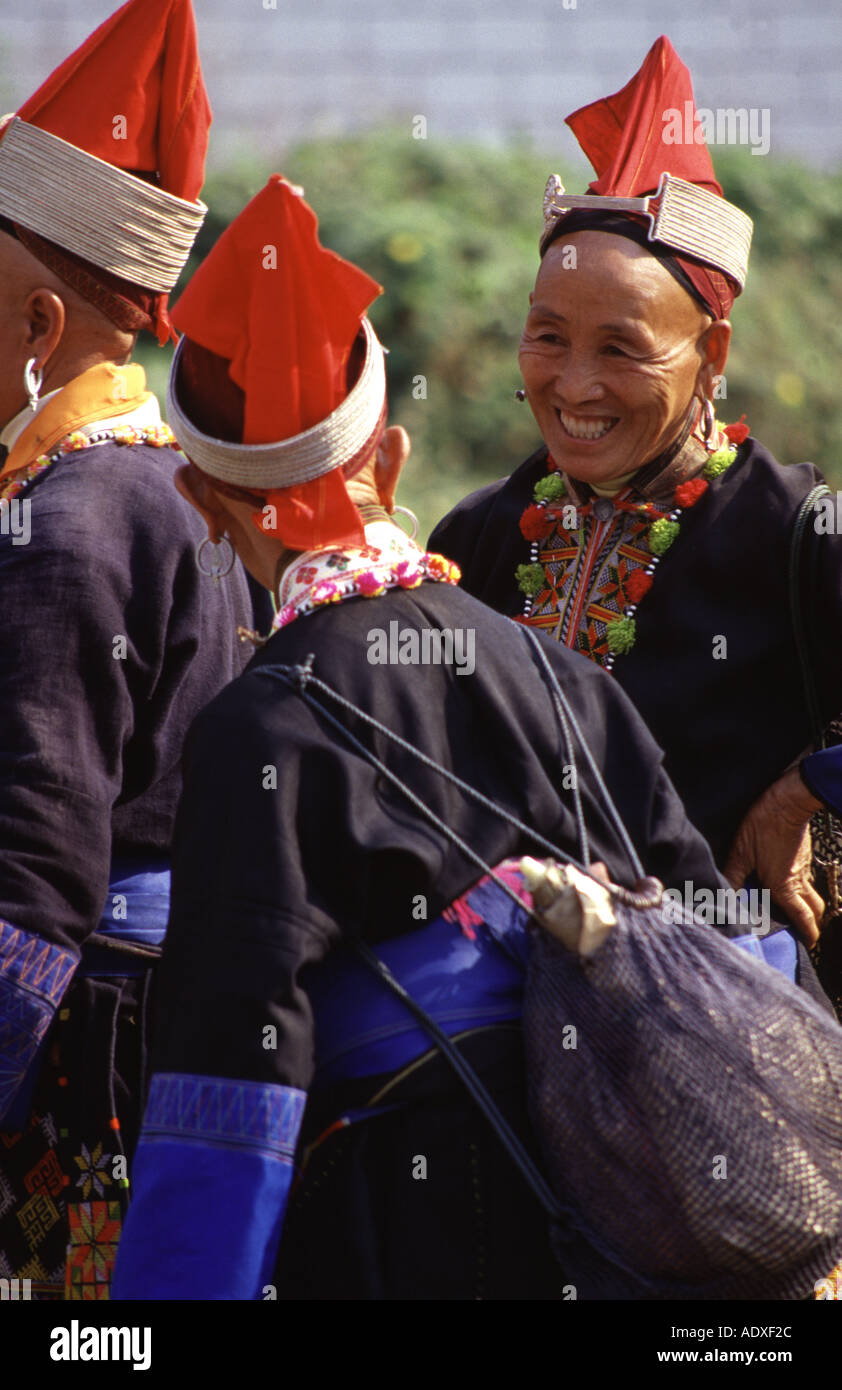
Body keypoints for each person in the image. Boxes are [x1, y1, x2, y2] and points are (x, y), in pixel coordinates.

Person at [109, 175, 760, 1302]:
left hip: (388, 1223)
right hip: (605, 1217)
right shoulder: (562, 680)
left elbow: (234, 1054)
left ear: (204, 503)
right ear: (394, 461)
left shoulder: (257, 727)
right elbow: (711, 944)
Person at [429, 36, 842, 989]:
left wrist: (802, 794)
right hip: (500, 1015)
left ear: (713, 350)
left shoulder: (794, 532)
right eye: (547, 337)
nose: (574, 385)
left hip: (721, 1017)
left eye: (622, 349)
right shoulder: (480, 536)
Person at [0, 0, 257, 1300]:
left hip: (71, 1047)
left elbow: (35, 867)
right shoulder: (172, 481)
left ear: (40, 329)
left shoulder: (65, 518)